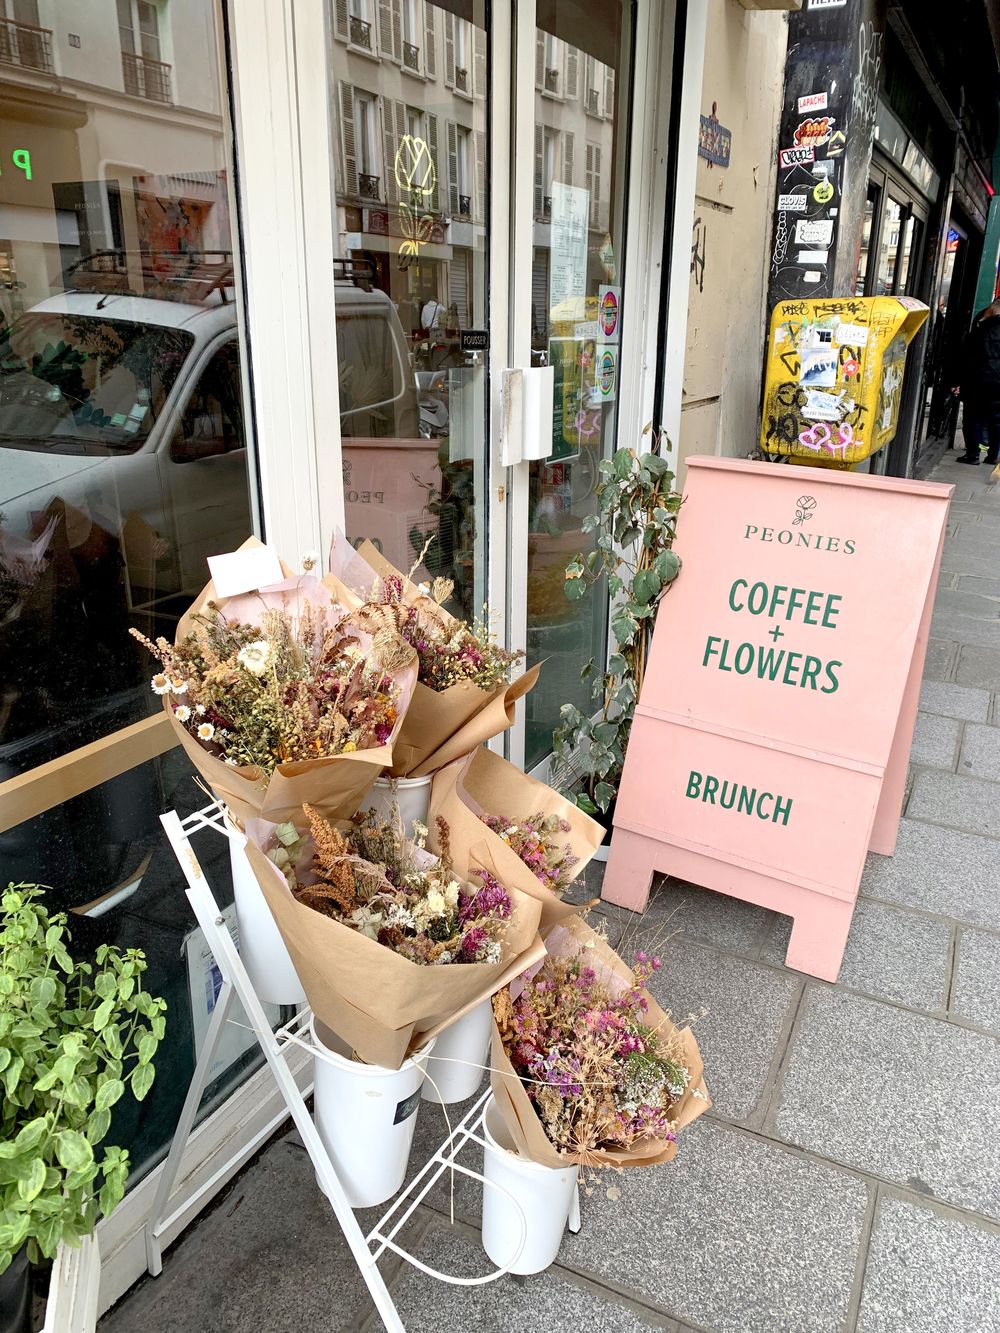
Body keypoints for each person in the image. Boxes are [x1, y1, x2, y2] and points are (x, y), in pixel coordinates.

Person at [956, 300, 1000, 464]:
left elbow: (966, 357)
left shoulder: (980, 331)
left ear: (992, 311)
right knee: (996, 420)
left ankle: (973, 454)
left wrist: (957, 381)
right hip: (997, 385)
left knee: (972, 417)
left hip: (977, 382)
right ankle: (993, 455)